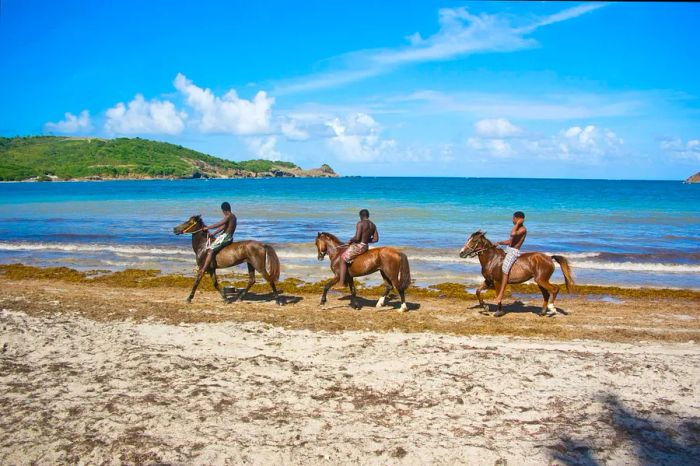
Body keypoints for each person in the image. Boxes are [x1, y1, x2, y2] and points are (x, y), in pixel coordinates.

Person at [493, 211, 527, 315]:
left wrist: (517, 224)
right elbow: (511, 240)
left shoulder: (522, 229)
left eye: (514, 218)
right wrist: (500, 243)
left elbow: (512, 234)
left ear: (518, 218)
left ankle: (500, 296)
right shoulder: (518, 228)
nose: (512, 220)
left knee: (505, 270)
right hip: (509, 249)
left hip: (514, 252)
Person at [338, 209, 379, 287]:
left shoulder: (360, 223)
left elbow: (357, 238)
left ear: (361, 216)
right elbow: (376, 239)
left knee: (342, 258)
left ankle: (341, 282)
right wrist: (366, 239)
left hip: (359, 246)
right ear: (368, 215)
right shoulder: (373, 225)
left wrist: (351, 240)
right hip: (366, 246)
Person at [200, 202, 237, 273]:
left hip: (226, 237)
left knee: (210, 249)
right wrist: (214, 233)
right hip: (229, 237)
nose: (223, 213)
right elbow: (222, 227)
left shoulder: (228, 216)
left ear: (224, 210)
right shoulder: (233, 216)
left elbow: (217, 225)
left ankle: (204, 269)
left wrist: (207, 227)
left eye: (222, 211)